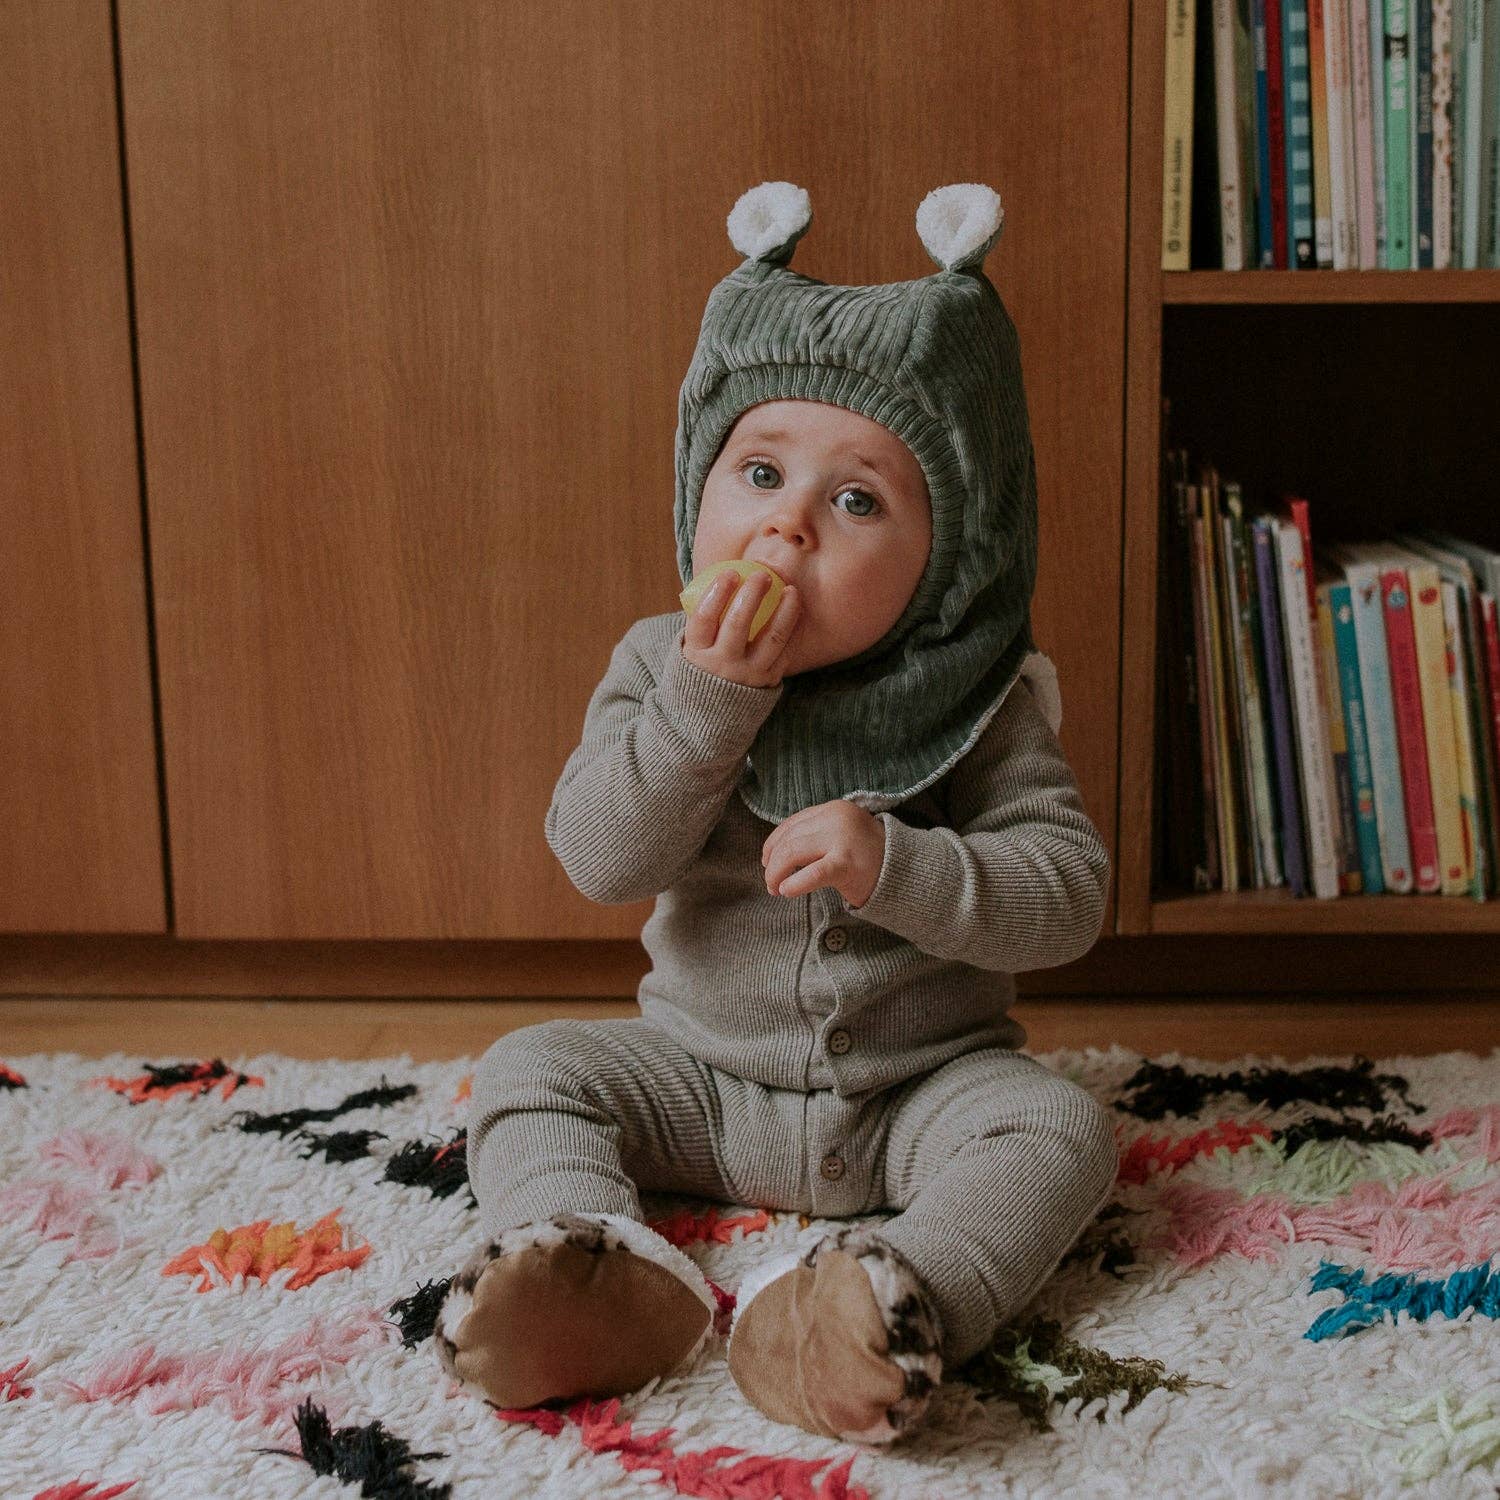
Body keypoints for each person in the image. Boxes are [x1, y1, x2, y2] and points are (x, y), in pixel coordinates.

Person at [435, 180, 1118, 1445]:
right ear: (699, 489)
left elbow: (1068, 899)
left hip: (922, 1092)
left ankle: (887, 1306)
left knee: (1061, 1127)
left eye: (858, 501)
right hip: (702, 1079)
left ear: (953, 556)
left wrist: (899, 864)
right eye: (758, 472)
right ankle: (597, 1277)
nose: (787, 524)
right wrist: (708, 704)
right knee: (531, 1069)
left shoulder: (977, 698)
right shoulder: (660, 664)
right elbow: (597, 856)